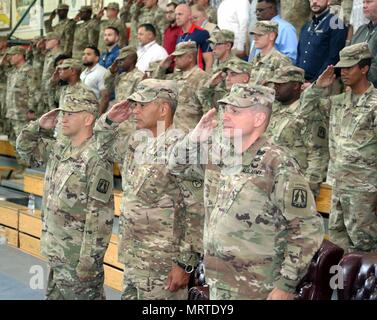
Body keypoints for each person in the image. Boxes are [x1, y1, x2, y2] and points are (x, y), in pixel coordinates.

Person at [168, 83, 325, 300]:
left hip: (257, 287)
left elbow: (306, 227)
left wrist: (286, 284)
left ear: (259, 118)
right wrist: (193, 139)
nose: (226, 116)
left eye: (236, 111)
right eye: (226, 110)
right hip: (217, 282)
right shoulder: (219, 154)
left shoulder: (277, 163)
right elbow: (175, 166)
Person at [94, 79, 203, 300]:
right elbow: (103, 149)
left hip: (164, 263)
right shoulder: (137, 140)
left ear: (163, 109)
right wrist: (109, 121)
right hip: (135, 256)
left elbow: (196, 209)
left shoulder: (183, 148)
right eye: (135, 105)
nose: (135, 110)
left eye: (142, 105)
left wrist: (185, 263)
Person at [16, 88, 114, 300]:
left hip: (78, 262)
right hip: (57, 253)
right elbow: (24, 151)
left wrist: (88, 265)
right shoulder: (60, 149)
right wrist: (38, 127)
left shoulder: (96, 158)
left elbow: (99, 219)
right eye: (63, 113)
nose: (63, 118)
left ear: (88, 119)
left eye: (70, 113)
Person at [300, 43, 377, 252]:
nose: (344, 72)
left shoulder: (374, 104)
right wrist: (317, 87)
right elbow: (304, 111)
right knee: (336, 244)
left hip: (365, 190)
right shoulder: (338, 102)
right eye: (342, 68)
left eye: (350, 67)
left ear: (364, 68)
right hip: (338, 185)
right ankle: (340, 284)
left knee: (365, 247)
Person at [265, 65, 329, 196]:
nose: (275, 88)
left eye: (280, 84)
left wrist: (308, 190)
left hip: (293, 185)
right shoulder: (275, 108)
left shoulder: (310, 113)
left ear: (295, 86)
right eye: (275, 84)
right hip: (269, 180)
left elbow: (318, 155)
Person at [155, 41, 210, 132]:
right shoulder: (175, 76)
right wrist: (161, 68)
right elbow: (156, 87)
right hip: (170, 133)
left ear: (190, 57)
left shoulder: (201, 78)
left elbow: (208, 110)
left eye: (179, 56)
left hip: (189, 134)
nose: (175, 60)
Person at [296, 0, 348, 82]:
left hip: (324, 83)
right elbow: (299, 54)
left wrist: (315, 82)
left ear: (329, 1)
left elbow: (334, 57)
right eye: (312, 0)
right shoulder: (306, 26)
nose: (315, 2)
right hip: (301, 81)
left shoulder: (337, 23)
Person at [5, 46, 38, 153]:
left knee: (23, 142)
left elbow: (34, 91)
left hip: (22, 113)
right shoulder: (13, 71)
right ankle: (22, 165)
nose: (10, 58)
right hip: (11, 112)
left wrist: (31, 110)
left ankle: (28, 165)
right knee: (13, 140)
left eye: (12, 55)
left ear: (20, 56)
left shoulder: (28, 70)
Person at [249, 21, 292, 85]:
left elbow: (283, 89)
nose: (255, 38)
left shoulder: (281, 61)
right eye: (254, 35)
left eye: (259, 35)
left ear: (272, 36)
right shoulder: (255, 59)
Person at [175, 4, 213, 71]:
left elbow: (209, 60)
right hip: (182, 76)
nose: (177, 17)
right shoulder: (180, 36)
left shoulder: (201, 33)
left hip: (196, 77)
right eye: (176, 15)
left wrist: (207, 79)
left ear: (190, 16)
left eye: (180, 14)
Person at [351, 0, 377, 87]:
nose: (364, 6)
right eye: (363, 2)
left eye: (369, 2)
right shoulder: (361, 30)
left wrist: (357, 81)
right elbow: (349, 58)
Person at [41, 32, 65, 114]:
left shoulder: (61, 55)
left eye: (48, 40)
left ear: (56, 41)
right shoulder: (48, 55)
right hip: (46, 91)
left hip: (55, 92)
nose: (45, 42)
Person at [80, 46, 107, 113]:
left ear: (97, 58)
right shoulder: (83, 73)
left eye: (88, 54)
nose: (85, 56)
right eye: (84, 54)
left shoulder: (102, 72)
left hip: (94, 111)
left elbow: (105, 97)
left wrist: (99, 116)